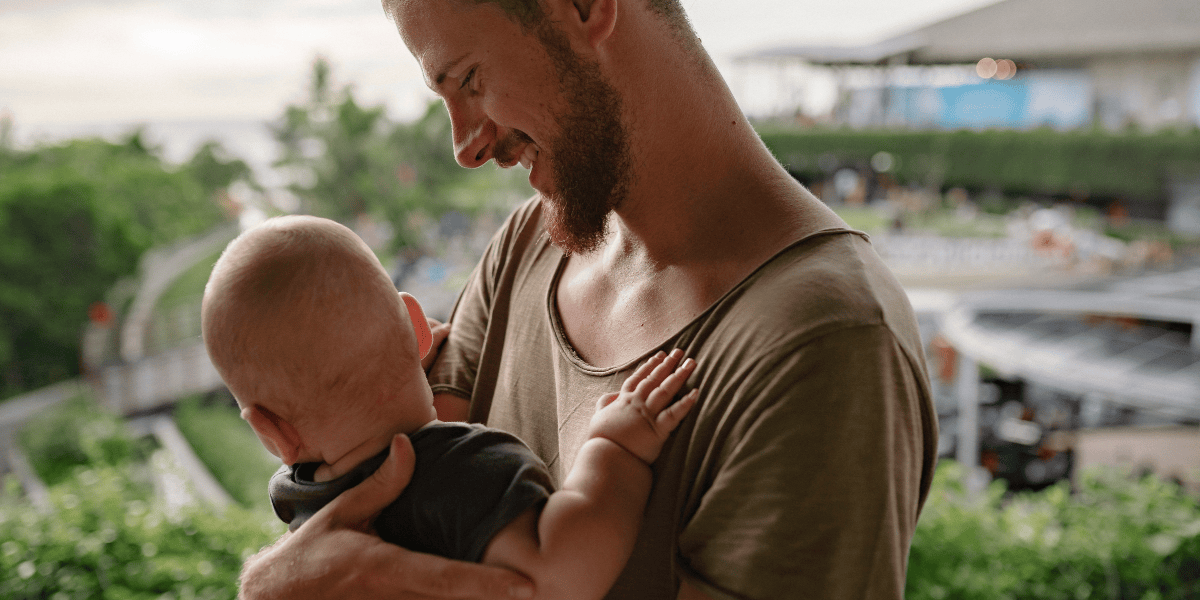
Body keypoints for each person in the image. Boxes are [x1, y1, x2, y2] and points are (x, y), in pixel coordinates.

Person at [238, 0, 940, 599]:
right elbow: (386, 512)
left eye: (471, 80)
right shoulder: (527, 249)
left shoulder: (827, 340)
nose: (464, 147)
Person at [202, 215, 699, 599]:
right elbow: (556, 577)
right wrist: (615, 448)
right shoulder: (461, 469)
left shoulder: (302, 505)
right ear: (419, 325)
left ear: (270, 431)